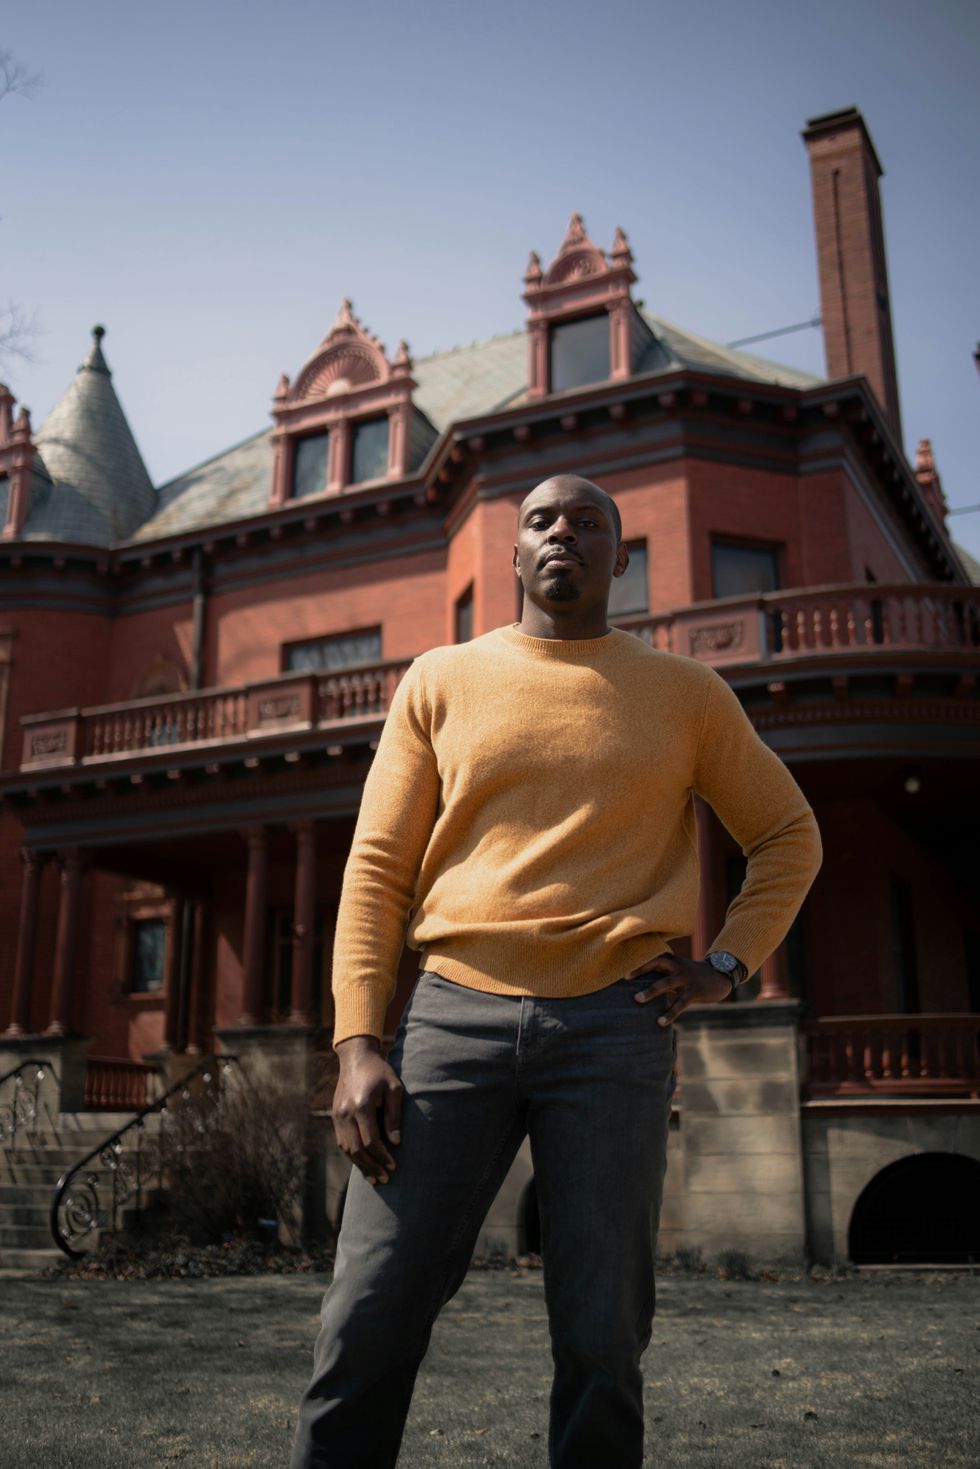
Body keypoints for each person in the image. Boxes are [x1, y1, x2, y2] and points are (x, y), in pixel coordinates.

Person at [291, 474, 822, 1469]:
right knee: (367, 1308)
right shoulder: (438, 679)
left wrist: (723, 963)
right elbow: (376, 867)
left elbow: (787, 835)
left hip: (613, 1030)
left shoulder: (687, 695)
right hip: (449, 1019)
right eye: (541, 520)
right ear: (514, 555)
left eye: (589, 523)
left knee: (600, 1330)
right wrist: (358, 1038)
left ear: (620, 558)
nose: (562, 534)